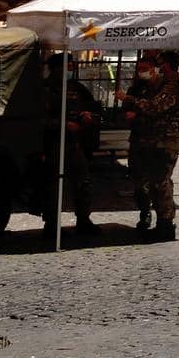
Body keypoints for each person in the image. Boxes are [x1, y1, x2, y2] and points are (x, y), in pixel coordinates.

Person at [118, 50, 179, 242]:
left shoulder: (175, 86)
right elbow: (137, 110)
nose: (142, 72)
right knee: (141, 181)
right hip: (144, 140)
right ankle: (149, 216)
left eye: (148, 68)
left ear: (164, 66)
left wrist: (129, 100)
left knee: (161, 181)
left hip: (164, 141)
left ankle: (165, 225)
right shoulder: (144, 87)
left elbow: (155, 107)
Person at [43, 53, 103, 237]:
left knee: (83, 183)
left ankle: (83, 220)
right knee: (53, 185)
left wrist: (87, 117)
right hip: (53, 143)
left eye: (71, 65)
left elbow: (94, 109)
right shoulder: (45, 89)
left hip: (76, 144)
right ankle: (51, 225)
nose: (70, 69)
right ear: (55, 68)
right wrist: (63, 125)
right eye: (66, 66)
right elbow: (38, 119)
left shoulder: (76, 87)